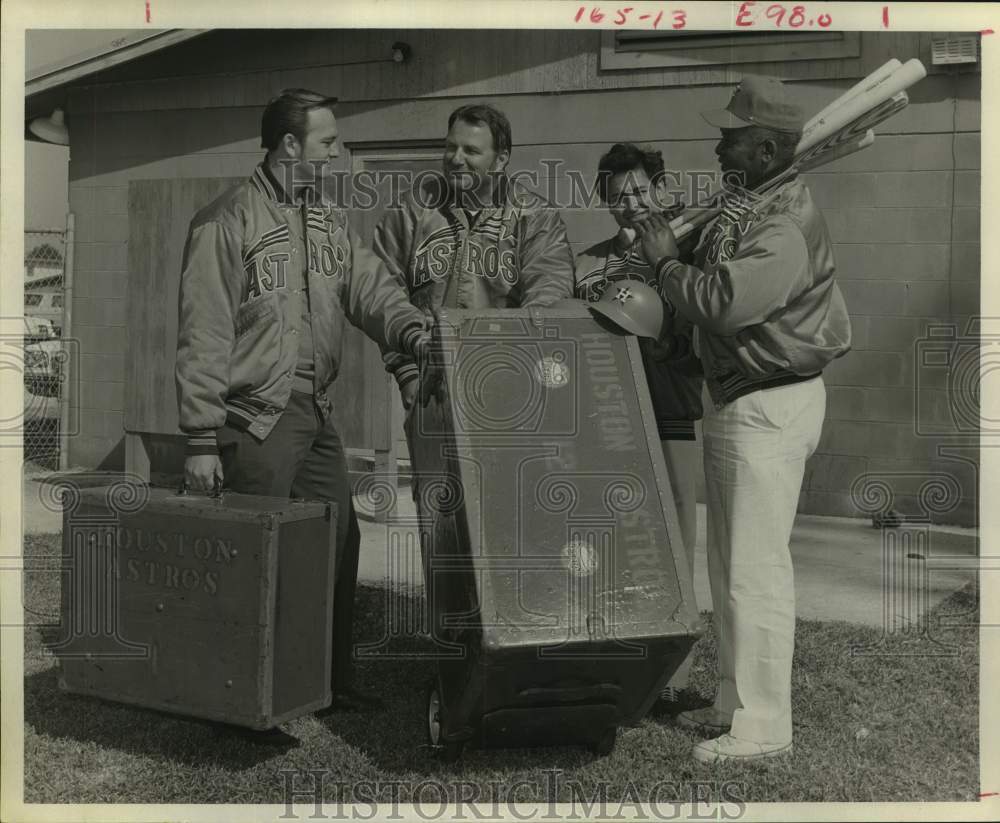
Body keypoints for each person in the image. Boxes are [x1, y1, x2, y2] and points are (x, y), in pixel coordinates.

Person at [176, 88, 431, 745]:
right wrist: (202, 436)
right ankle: (243, 698)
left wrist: (411, 329)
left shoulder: (328, 220)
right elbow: (203, 331)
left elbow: (370, 289)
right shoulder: (226, 219)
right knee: (256, 562)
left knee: (336, 540)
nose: (336, 153)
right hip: (253, 416)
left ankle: (324, 680)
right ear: (290, 146)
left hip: (316, 413)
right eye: (328, 142)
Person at [634, 75, 851, 763]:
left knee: (754, 570)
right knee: (729, 565)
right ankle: (735, 699)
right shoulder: (751, 203)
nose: (718, 144)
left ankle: (764, 724)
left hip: (772, 402)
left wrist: (667, 263)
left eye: (731, 137)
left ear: (765, 149)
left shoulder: (785, 223)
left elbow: (723, 303)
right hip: (739, 397)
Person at [575, 143, 704, 707]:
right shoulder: (587, 262)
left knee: (673, 545)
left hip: (669, 411)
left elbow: (703, 325)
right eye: (617, 194)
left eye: (639, 190)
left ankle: (672, 677)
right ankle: (609, 661)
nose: (629, 203)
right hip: (608, 420)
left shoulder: (687, 246)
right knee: (613, 543)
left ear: (660, 188)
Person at [373, 102, 575, 413]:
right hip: (429, 380)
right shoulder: (413, 209)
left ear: (501, 159)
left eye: (470, 150)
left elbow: (549, 292)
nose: (456, 159)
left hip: (506, 379)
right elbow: (382, 290)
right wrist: (406, 370)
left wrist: (516, 359)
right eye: (450, 147)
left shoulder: (534, 216)